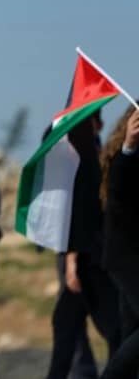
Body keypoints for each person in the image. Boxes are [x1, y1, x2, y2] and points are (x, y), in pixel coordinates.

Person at [45, 113, 121, 379]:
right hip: (90, 259)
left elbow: (82, 218)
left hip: (92, 261)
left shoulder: (92, 167)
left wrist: (71, 262)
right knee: (70, 328)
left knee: (114, 332)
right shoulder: (85, 166)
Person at [100, 106, 139, 378]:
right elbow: (117, 197)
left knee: (131, 330)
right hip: (127, 256)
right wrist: (129, 145)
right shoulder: (124, 158)